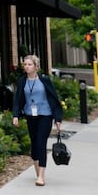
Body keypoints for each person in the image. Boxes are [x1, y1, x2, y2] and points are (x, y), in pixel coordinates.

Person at [12, 54, 63, 186]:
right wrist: (16, 115)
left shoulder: (44, 80)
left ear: (36, 67)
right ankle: (37, 171)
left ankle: (41, 176)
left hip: (45, 115)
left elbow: (54, 99)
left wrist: (58, 119)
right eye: (25, 64)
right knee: (34, 143)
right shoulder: (22, 81)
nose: (27, 67)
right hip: (30, 115)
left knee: (41, 142)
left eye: (29, 64)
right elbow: (17, 99)